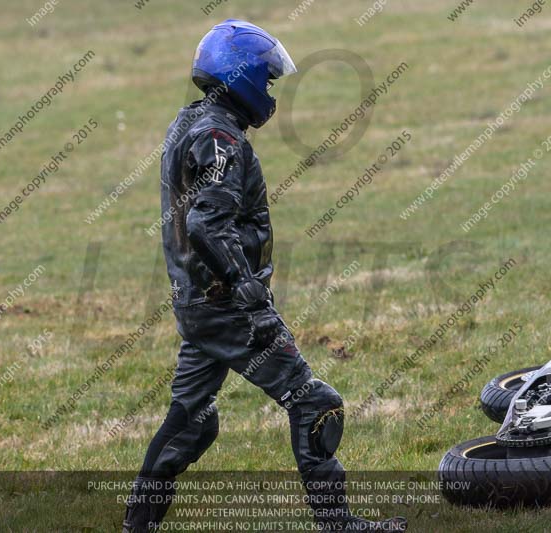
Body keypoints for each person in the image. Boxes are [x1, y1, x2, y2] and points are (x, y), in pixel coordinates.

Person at [123, 19, 407, 533]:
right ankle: (338, 526)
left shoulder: (191, 122)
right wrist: (251, 295)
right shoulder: (219, 139)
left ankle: (135, 526)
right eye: (267, 79)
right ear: (241, 76)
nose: (271, 91)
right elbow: (206, 223)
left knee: (191, 424)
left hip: (199, 306)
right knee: (316, 402)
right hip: (228, 308)